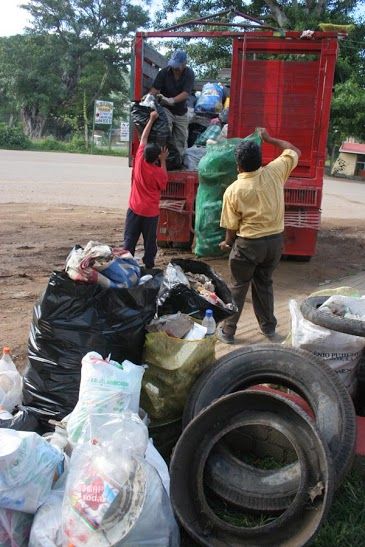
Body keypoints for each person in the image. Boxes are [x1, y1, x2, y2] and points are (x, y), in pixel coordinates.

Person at [217, 127, 301, 344]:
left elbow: (231, 227)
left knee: (238, 286)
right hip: (274, 244)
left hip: (248, 246)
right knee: (264, 284)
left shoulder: (234, 190)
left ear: (238, 165)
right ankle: (269, 330)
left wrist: (227, 243)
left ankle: (228, 332)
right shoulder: (275, 171)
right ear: (260, 159)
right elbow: (293, 150)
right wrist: (269, 138)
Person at [123, 110, 168, 269]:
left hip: (135, 209)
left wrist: (151, 118)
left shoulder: (139, 162)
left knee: (129, 240)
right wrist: (163, 161)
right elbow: (163, 184)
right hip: (150, 214)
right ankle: (149, 266)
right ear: (156, 157)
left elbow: (144, 137)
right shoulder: (158, 173)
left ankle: (126, 266)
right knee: (150, 243)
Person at [150, 50, 195, 162]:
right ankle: (161, 159)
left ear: (184, 63)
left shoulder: (189, 74)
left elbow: (186, 93)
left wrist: (172, 100)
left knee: (181, 138)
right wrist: (149, 97)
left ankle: (178, 161)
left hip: (181, 111)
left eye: (178, 65)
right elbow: (155, 89)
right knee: (165, 129)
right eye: (174, 64)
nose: (175, 68)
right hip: (166, 108)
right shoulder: (164, 72)